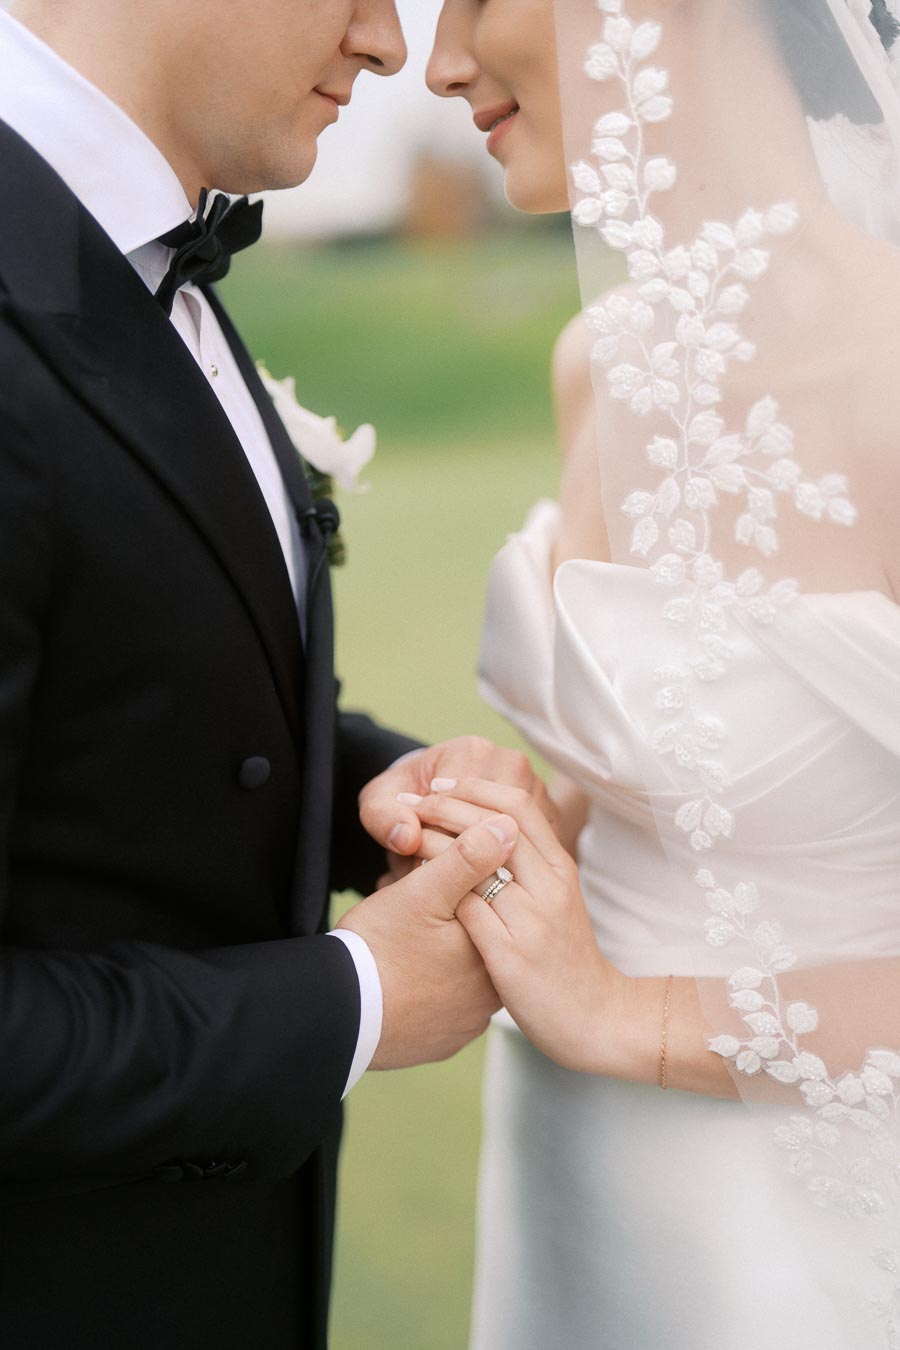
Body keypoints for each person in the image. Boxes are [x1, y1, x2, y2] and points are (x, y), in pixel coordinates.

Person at [0, 2, 555, 1346]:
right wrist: (351, 1001)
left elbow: (118, 676)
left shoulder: (143, 254)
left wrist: (369, 779)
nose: (385, 42)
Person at [418, 0, 900, 1345]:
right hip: (580, 1190)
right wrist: (513, 821)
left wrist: (625, 1016)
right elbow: (658, 770)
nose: (439, 61)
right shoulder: (603, 362)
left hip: (802, 1234)